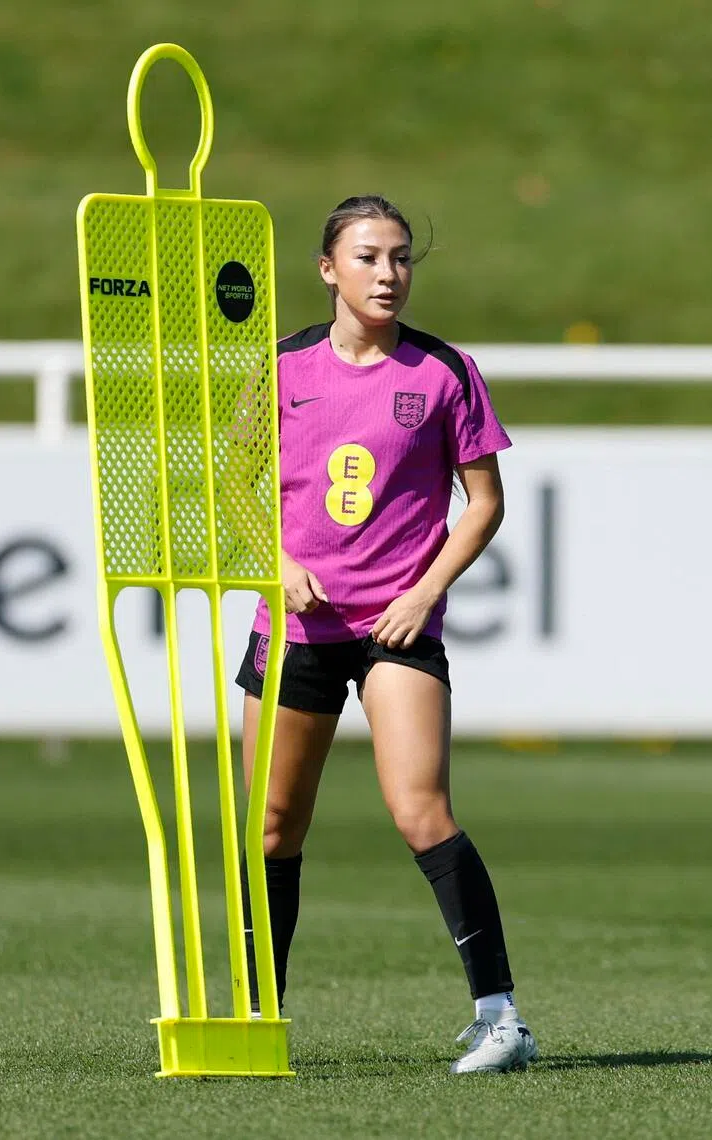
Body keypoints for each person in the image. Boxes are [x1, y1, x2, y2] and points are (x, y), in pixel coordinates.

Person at [234, 195, 537, 1074]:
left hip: (396, 626)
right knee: (273, 828)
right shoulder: (281, 366)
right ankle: (259, 1017)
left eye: (401, 258)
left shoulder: (445, 372)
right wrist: (276, 562)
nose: (388, 274)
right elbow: (232, 483)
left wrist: (427, 588)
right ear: (328, 269)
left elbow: (484, 505)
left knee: (421, 813)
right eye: (368, 258)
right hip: (294, 626)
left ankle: (502, 1018)